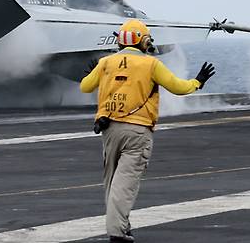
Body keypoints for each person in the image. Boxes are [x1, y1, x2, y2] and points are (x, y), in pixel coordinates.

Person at [80, 19, 215, 243]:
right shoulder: (150, 64)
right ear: (143, 40)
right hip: (137, 132)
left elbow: (85, 86)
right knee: (124, 185)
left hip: (109, 130)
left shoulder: (105, 63)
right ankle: (117, 233)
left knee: (112, 183)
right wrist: (198, 82)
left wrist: (93, 73)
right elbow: (178, 87)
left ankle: (122, 226)